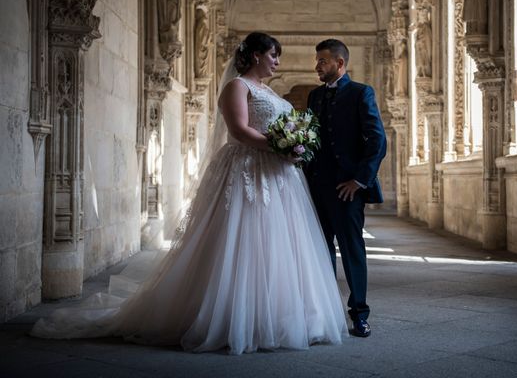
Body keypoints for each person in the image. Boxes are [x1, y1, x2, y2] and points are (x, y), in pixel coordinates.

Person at [31, 32, 348, 355]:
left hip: (277, 176)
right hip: (246, 170)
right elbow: (238, 130)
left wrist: (293, 146)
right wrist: (281, 146)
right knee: (242, 241)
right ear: (255, 56)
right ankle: (231, 317)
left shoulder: (269, 91)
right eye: (273, 55)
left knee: (279, 244)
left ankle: (278, 314)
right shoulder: (237, 87)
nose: (277, 61)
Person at [306, 39, 387, 338]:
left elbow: (377, 141)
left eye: (323, 61)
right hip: (315, 187)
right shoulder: (314, 96)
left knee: (352, 250)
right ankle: (327, 312)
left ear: (340, 64)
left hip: (347, 189)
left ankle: (360, 314)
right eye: (317, 61)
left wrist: (359, 180)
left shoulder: (361, 92)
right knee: (320, 250)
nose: (317, 66)